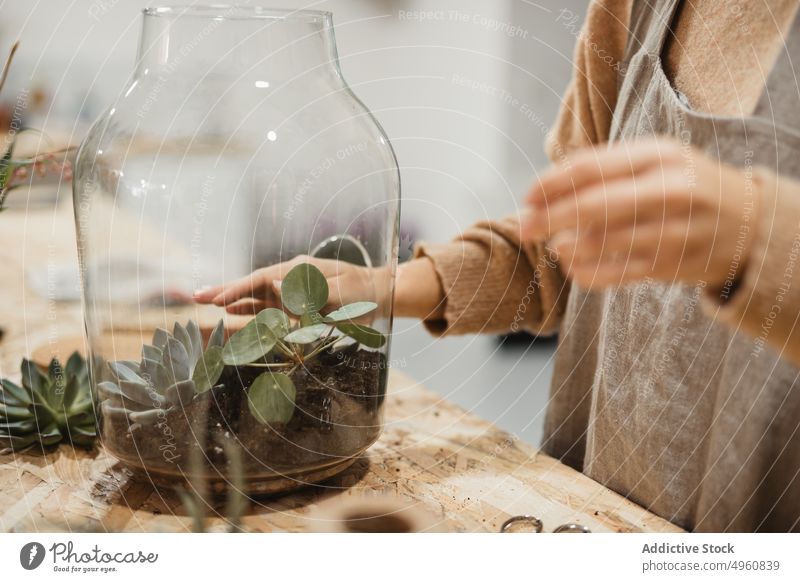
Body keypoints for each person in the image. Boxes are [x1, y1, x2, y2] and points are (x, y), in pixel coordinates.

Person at [195, 0, 800, 532]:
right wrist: (374, 288)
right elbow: (564, 254)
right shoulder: (629, 10)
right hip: (592, 513)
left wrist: (762, 235)